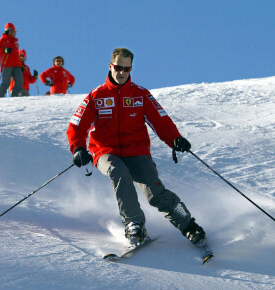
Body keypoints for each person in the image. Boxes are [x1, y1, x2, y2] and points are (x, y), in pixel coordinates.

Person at [66, 47, 208, 249]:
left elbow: (161, 121)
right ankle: (134, 224)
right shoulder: (96, 96)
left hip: (137, 151)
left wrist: (175, 139)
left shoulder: (140, 95)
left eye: (127, 68)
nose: (122, 72)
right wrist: (78, 148)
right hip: (105, 151)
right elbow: (76, 125)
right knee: (119, 172)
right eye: (118, 68)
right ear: (110, 66)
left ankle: (190, 226)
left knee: (155, 193)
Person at [0, 23, 23, 97]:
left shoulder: (15, 42)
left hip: (16, 65)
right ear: (9, 31)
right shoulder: (2, 40)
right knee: (6, 83)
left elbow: (16, 55)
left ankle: (15, 97)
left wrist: (20, 65)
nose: (15, 33)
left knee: (20, 81)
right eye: (14, 31)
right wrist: (4, 50)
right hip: (7, 65)